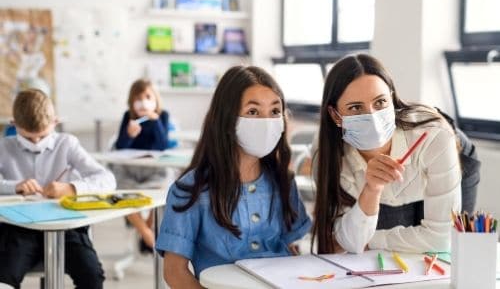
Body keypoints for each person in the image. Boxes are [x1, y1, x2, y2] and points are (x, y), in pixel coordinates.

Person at [156, 65, 311, 288]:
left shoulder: (283, 182)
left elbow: (292, 250)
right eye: (253, 111)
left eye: (275, 111)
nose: (267, 122)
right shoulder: (190, 190)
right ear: (227, 119)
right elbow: (174, 272)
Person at [312, 54, 461, 255]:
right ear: (335, 115)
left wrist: (369, 241)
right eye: (355, 107)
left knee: (449, 249)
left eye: (380, 102)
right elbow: (342, 241)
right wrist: (371, 189)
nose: (372, 117)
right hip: (385, 193)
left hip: (453, 155)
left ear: (391, 98)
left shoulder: (434, 135)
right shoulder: (328, 156)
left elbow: (441, 238)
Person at [0, 89, 116, 289]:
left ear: (56, 122)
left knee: (93, 277)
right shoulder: (4, 147)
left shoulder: (68, 144)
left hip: (66, 227)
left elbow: (107, 180)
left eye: (42, 136)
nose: (36, 142)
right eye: (28, 138)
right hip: (18, 229)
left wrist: (71, 188)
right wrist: (14, 187)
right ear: (14, 125)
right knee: (4, 277)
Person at [113, 78, 172, 252]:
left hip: (155, 170)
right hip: (130, 170)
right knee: (122, 193)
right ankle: (146, 234)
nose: (143, 102)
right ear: (132, 102)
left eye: (148, 97)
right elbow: (120, 146)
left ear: (156, 99)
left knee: (163, 191)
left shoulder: (163, 116)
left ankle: (147, 230)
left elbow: (162, 145)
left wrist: (155, 122)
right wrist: (129, 135)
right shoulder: (128, 117)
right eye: (138, 99)